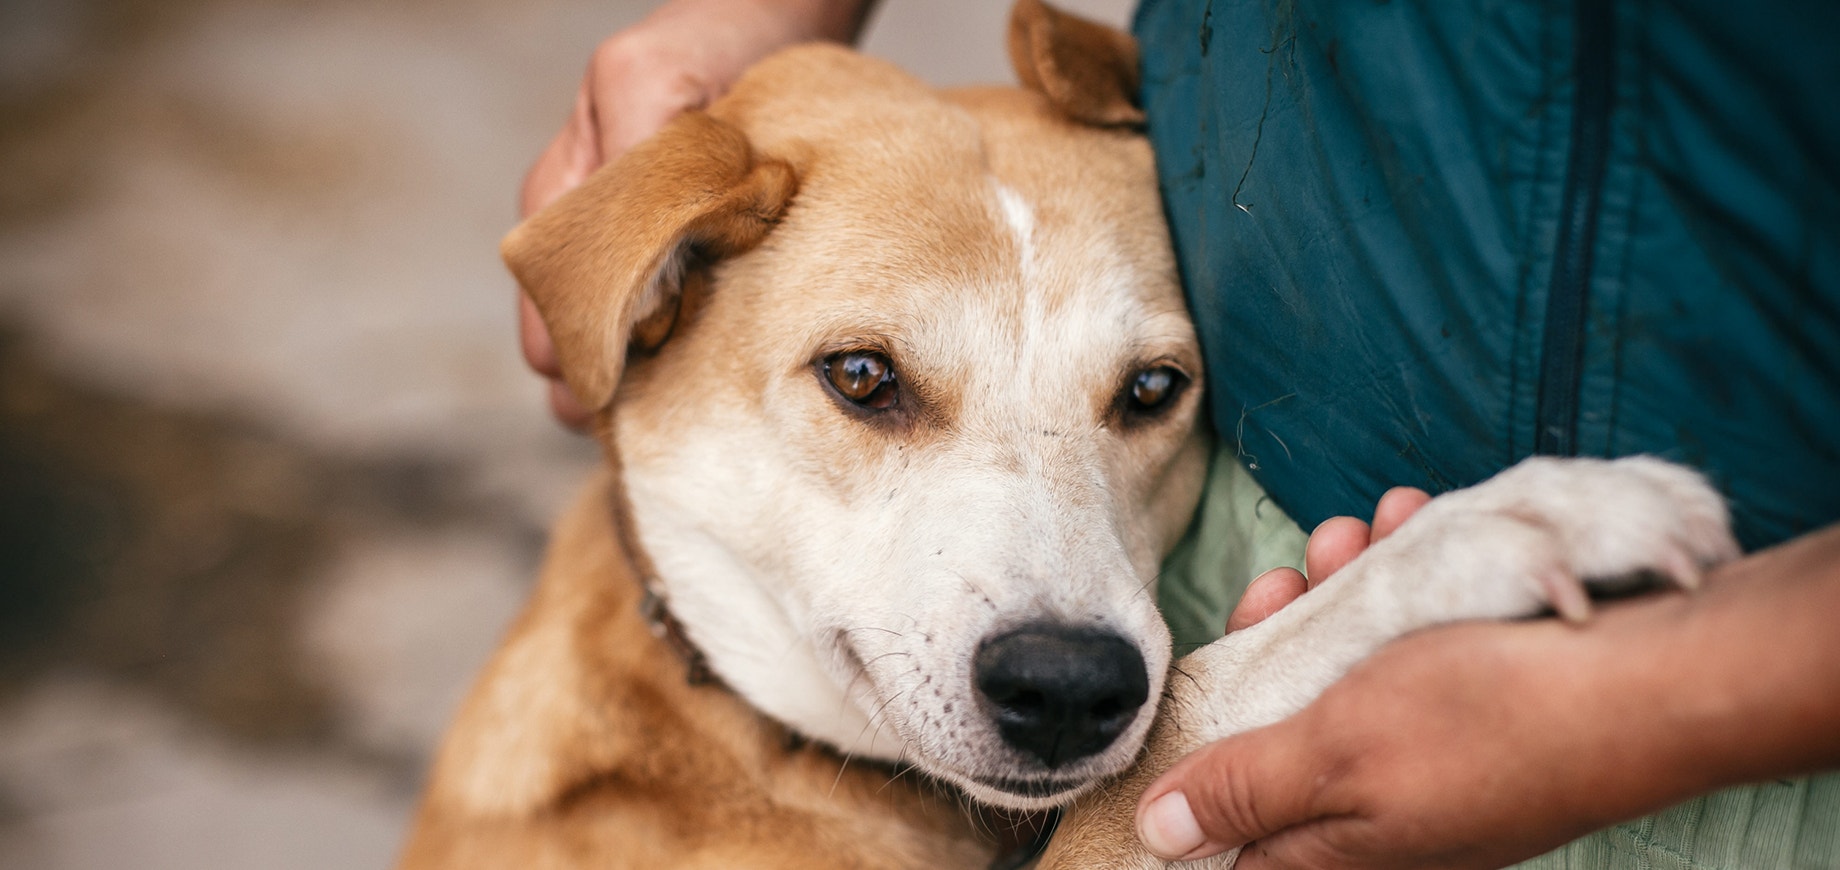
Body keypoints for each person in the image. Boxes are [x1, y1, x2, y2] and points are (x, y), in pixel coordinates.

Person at [513, 1, 1840, 868]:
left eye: (1141, 391)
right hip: (1293, 582)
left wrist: (1648, 697)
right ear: (656, 297)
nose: (1054, 622)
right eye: (869, 380)